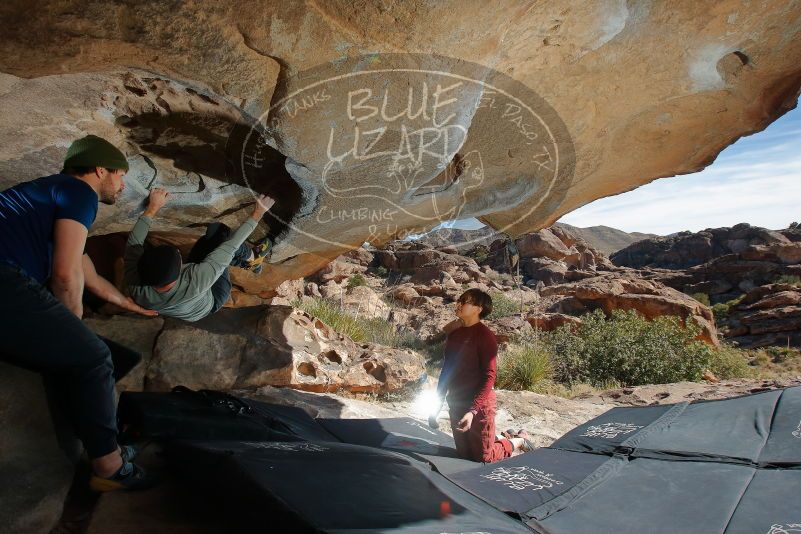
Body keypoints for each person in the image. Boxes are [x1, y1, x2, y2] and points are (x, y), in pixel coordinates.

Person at [0, 134, 159, 491]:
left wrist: (131, 305)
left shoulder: (54, 196)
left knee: (120, 358)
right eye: (119, 175)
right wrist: (75, 329)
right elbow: (64, 274)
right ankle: (108, 467)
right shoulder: (79, 193)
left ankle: (103, 437)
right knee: (92, 357)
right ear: (99, 169)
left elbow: (90, 276)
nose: (122, 185)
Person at [124, 188, 275, 322]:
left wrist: (153, 207)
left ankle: (242, 263)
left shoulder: (135, 283)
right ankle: (253, 259)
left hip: (188, 308)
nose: (178, 251)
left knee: (212, 236)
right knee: (219, 235)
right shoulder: (198, 279)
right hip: (213, 298)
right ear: (181, 269)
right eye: (178, 255)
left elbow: (134, 242)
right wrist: (258, 212)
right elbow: (230, 245)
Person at [431, 288, 533, 462]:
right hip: (456, 402)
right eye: (460, 300)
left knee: (483, 457)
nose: (459, 304)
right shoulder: (454, 335)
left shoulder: (486, 337)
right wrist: (437, 405)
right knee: (464, 455)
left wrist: (472, 411)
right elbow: (447, 370)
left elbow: (489, 376)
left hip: (479, 406)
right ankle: (501, 438)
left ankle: (519, 440)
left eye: (466, 301)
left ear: (478, 309)